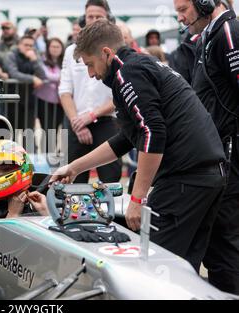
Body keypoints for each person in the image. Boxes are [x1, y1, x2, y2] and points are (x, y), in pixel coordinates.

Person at [51, 20, 226, 272]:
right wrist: (74, 167)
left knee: (155, 269)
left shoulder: (127, 73)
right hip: (208, 175)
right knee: (185, 272)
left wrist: (137, 197)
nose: (90, 74)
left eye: (90, 64)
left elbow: (152, 133)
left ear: (106, 53)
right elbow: (125, 139)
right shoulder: (139, 65)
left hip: (186, 179)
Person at [174, 0, 239, 294]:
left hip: (228, 156)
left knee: (225, 241)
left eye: (183, 8)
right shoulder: (209, 36)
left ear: (205, 3)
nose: (180, 17)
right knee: (216, 242)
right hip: (216, 156)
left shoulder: (228, 32)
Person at [59, 0, 122, 184]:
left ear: (108, 20)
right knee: (72, 180)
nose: (93, 20)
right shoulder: (71, 51)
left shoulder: (114, 52)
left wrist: (91, 116)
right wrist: (77, 122)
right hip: (76, 123)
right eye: (90, 17)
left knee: (111, 181)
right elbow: (64, 91)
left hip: (107, 121)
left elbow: (119, 95)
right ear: (83, 19)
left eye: (98, 17)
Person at [0, 140, 48, 218]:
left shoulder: (45, 194)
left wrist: (46, 212)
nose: (1, 175)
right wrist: (12, 214)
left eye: (6, 169)